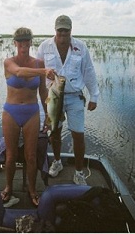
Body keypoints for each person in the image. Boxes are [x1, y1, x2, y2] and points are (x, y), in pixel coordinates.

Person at [37, 15, 99, 185]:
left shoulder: (80, 47)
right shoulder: (44, 46)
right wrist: (45, 72)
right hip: (53, 98)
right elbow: (38, 71)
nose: (63, 35)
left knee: (78, 134)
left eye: (66, 31)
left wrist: (94, 95)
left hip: (74, 97)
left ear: (71, 30)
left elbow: (88, 71)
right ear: (55, 30)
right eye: (60, 31)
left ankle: (79, 172)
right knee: (54, 131)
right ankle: (57, 162)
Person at [1, 27, 55, 207]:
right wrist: (43, 72)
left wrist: (48, 114)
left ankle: (32, 190)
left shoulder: (39, 63)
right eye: (20, 43)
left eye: (27, 43)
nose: (23, 47)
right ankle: (8, 187)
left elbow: (42, 91)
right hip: (11, 111)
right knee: (11, 156)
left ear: (31, 42)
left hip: (32, 112)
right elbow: (18, 72)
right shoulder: (9, 62)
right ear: (15, 43)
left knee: (31, 156)